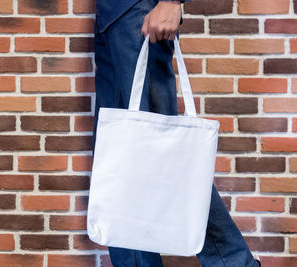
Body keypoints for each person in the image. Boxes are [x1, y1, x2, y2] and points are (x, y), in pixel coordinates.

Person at [91, 0, 262, 266]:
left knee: (159, 157)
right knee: (119, 161)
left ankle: (236, 262)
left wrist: (171, 1)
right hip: (111, 14)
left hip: (136, 13)